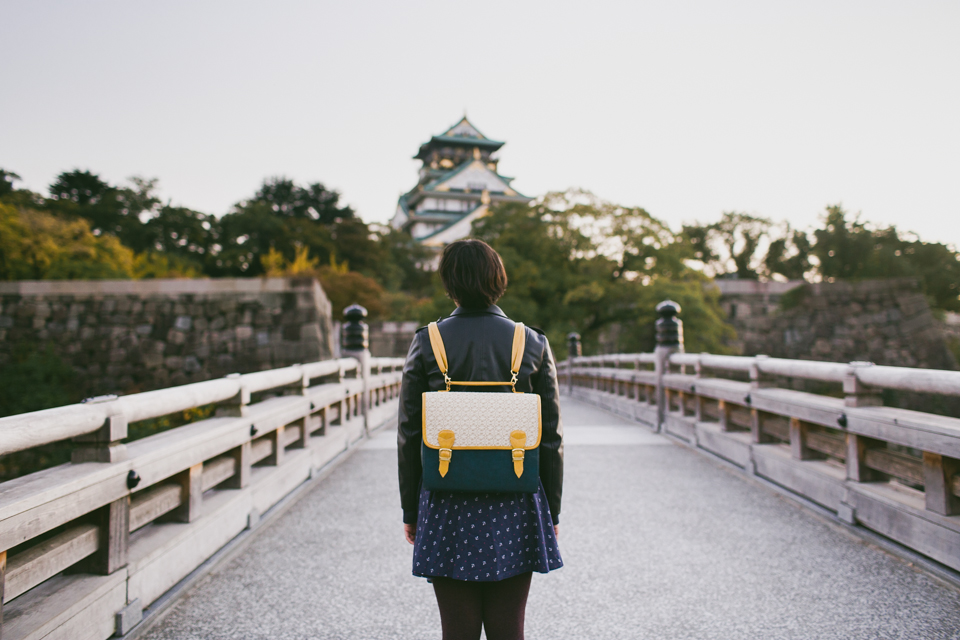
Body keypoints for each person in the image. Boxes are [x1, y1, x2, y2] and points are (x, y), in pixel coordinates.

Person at [397, 238, 564, 640]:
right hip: (515, 497)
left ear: (449, 283)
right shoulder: (531, 342)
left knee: (457, 632)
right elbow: (551, 437)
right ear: (498, 279)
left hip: (447, 499)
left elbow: (408, 432)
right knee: (510, 631)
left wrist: (410, 510)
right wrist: (552, 512)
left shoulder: (428, 341)